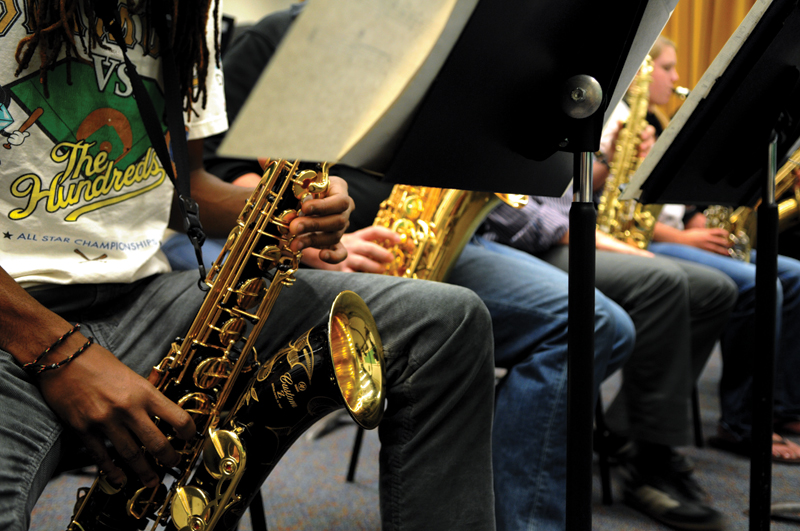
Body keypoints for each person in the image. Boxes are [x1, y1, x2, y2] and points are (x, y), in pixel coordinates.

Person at [0, 2, 500, 530]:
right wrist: (59, 351)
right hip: (15, 318)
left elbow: (181, 189)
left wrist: (292, 209)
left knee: (446, 323)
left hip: (137, 294)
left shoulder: (184, 13)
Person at [185, 6, 637, 531]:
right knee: (457, 326)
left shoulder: (427, 54)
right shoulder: (275, 40)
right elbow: (215, 172)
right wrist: (308, 237)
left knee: (595, 323)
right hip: (323, 248)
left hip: (422, 235)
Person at [482, 39, 740, 530]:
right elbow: (515, 205)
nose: (674, 74)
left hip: (564, 227)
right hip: (529, 238)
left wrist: (603, 167)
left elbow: (567, 187)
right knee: (658, 283)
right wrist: (598, 235)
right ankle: (649, 458)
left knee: (714, 290)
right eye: (668, 65)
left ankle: (629, 431)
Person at [633, 36, 800, 463]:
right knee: (758, 285)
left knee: (794, 276)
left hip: (681, 237)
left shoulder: (659, 121)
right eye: (667, 69)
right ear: (644, 73)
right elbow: (621, 215)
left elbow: (674, 198)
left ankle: (781, 406)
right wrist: (685, 238)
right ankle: (741, 422)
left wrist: (695, 220)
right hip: (652, 243)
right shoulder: (629, 125)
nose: (675, 78)